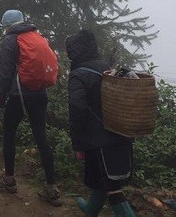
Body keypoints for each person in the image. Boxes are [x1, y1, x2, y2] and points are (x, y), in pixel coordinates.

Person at [0, 9, 61, 206]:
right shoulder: (36, 35)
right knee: (41, 138)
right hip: (40, 93)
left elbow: (6, 73)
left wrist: (1, 96)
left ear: (7, 26)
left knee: (9, 135)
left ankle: (9, 179)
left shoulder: (10, 40)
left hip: (18, 95)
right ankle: (51, 187)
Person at [66, 29, 135, 217]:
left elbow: (77, 109)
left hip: (100, 141)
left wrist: (77, 141)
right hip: (118, 134)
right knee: (100, 180)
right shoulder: (106, 67)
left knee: (112, 188)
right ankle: (90, 210)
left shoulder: (78, 75)